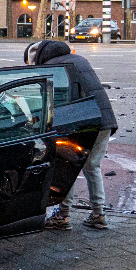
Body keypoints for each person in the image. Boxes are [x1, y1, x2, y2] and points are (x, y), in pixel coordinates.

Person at [28, 39, 118, 231]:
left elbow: (54, 101)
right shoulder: (79, 59)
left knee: (64, 167)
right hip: (103, 120)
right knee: (92, 167)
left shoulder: (54, 66)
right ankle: (98, 214)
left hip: (79, 124)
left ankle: (62, 215)